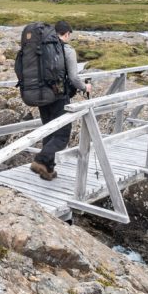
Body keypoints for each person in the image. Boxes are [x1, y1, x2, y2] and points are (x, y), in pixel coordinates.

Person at [30, 20, 91, 181]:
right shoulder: (67, 50)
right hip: (58, 97)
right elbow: (73, 77)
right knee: (62, 135)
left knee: (49, 130)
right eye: (69, 35)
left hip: (40, 95)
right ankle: (40, 160)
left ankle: (47, 170)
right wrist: (85, 88)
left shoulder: (40, 48)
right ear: (67, 34)